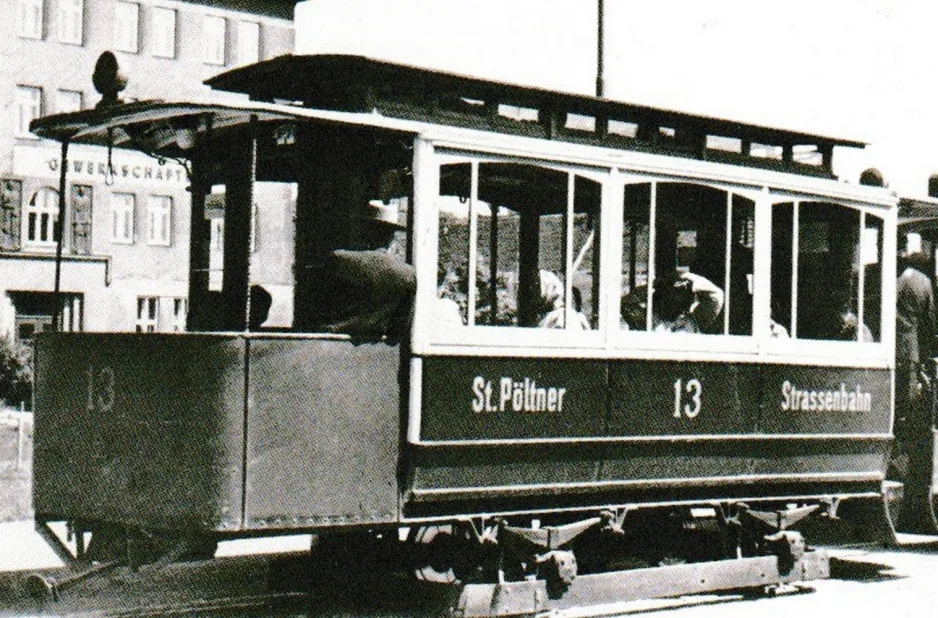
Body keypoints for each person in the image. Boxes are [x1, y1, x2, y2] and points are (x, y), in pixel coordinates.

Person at [312, 200, 416, 339]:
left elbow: (316, 307)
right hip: (377, 353)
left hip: (330, 345)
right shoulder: (407, 274)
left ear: (365, 231)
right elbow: (399, 329)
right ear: (391, 236)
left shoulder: (339, 260)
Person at [652, 270, 724, 334]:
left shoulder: (695, 320)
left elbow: (717, 294)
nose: (676, 298)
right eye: (669, 291)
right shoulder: (650, 319)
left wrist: (689, 278)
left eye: (682, 292)